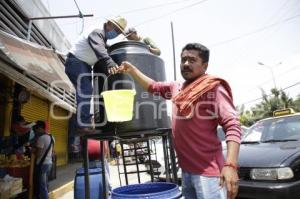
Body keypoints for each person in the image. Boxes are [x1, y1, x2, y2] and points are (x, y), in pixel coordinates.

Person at [118, 43, 241, 199]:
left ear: (204, 65)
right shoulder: (176, 87)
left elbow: (233, 125)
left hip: (208, 174)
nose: (186, 64)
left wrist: (230, 165)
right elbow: (154, 86)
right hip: (186, 170)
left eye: (192, 60)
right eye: (183, 60)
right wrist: (132, 70)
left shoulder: (213, 89)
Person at [64, 16, 127, 134]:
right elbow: (99, 47)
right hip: (77, 62)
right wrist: (110, 63)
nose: (116, 34)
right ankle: (83, 125)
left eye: (119, 33)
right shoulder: (97, 31)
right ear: (108, 23)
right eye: (116, 30)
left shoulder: (103, 38)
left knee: (86, 91)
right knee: (86, 90)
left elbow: (102, 49)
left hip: (85, 65)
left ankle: (83, 124)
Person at [33, 121, 55, 199]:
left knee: (42, 185)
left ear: (40, 128)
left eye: (37, 129)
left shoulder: (41, 138)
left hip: (43, 164)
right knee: (45, 183)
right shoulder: (52, 137)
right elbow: (52, 152)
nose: (36, 131)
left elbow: (38, 154)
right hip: (49, 163)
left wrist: (32, 151)